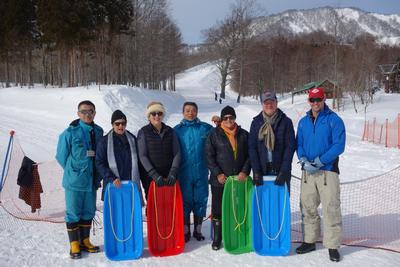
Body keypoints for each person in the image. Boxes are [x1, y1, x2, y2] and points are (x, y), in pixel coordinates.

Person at [295, 87, 346, 262]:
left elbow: (339, 145)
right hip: (308, 172)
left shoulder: (334, 120)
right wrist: (303, 159)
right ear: (309, 101)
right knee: (308, 207)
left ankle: (332, 245)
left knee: (331, 207)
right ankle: (309, 241)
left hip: (327, 171)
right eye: (312, 100)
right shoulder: (303, 122)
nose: (316, 103)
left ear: (324, 99)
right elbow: (299, 143)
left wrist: (320, 161)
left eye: (319, 100)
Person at [56, 100, 104, 259]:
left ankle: (85, 241)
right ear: (78, 114)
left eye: (91, 111)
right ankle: (74, 244)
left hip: (92, 181)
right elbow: (61, 156)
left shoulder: (98, 131)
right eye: (84, 111)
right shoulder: (70, 132)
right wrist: (73, 171)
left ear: (94, 113)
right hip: (75, 181)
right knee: (73, 213)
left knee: (88, 211)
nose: (87, 114)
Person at [205, 105, 251, 250]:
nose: (228, 120)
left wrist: (245, 171)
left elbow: (250, 155)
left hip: (238, 180)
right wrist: (218, 173)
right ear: (222, 119)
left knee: (238, 207)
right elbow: (209, 156)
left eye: (231, 117)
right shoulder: (214, 134)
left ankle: (237, 232)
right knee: (218, 208)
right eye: (225, 118)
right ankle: (218, 237)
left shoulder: (244, 134)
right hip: (220, 180)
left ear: (235, 118)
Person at [174, 102, 213, 242]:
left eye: (193, 110)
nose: (190, 113)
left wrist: (219, 122)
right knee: (185, 200)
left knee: (201, 199)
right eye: (187, 110)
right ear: (183, 112)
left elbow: (220, 134)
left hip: (201, 171)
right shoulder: (177, 130)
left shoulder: (205, 128)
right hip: (184, 172)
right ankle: (185, 230)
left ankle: (198, 230)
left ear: (197, 112)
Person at [248, 91, 296, 191]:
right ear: (262, 104)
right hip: (262, 171)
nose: (269, 105)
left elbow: (290, 148)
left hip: (281, 171)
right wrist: (256, 171)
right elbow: (252, 148)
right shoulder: (256, 123)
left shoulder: (286, 122)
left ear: (276, 103)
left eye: (272, 102)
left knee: (280, 204)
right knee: (263, 204)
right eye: (266, 103)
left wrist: (284, 171)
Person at [95, 110, 144, 205]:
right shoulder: (104, 142)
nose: (120, 126)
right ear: (112, 125)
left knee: (130, 216)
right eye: (117, 124)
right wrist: (111, 178)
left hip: (130, 186)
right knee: (115, 216)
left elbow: (139, 161)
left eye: (123, 123)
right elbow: (99, 162)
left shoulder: (132, 139)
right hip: (113, 184)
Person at [137, 101, 181, 200]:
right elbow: (142, 156)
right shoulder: (143, 132)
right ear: (149, 116)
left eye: (159, 113)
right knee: (154, 206)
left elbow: (177, 153)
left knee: (169, 205)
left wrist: (173, 172)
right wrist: (154, 175)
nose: (157, 116)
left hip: (169, 176)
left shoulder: (170, 131)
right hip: (150, 177)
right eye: (153, 113)